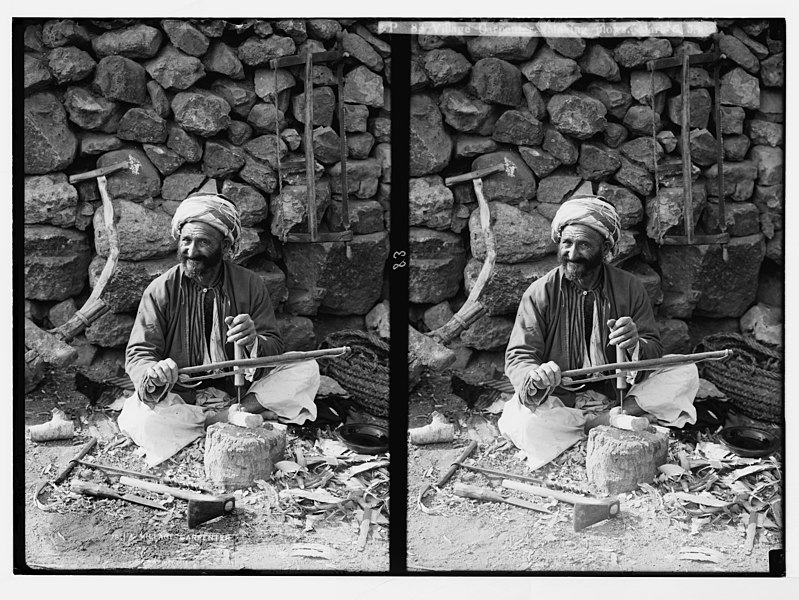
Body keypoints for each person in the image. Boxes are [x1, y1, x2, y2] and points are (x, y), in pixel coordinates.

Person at [118, 191, 319, 466]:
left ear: (225, 246)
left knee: (305, 368)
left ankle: (224, 415)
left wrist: (253, 341)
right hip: (182, 394)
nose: (190, 250)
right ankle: (228, 418)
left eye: (203, 242)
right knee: (140, 420)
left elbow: (274, 345)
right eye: (186, 240)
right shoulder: (160, 290)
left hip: (238, 387)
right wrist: (153, 371)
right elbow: (139, 353)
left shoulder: (250, 284)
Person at [498, 195, 698, 469]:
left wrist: (635, 344)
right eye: (566, 243)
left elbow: (654, 348)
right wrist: (536, 375)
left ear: (605, 249)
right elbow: (520, 356)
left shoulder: (629, 287)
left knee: (685, 371)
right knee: (522, 423)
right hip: (562, 397)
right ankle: (604, 422)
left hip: (619, 391)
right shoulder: (540, 293)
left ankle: (608, 417)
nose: (571, 253)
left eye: (583, 245)